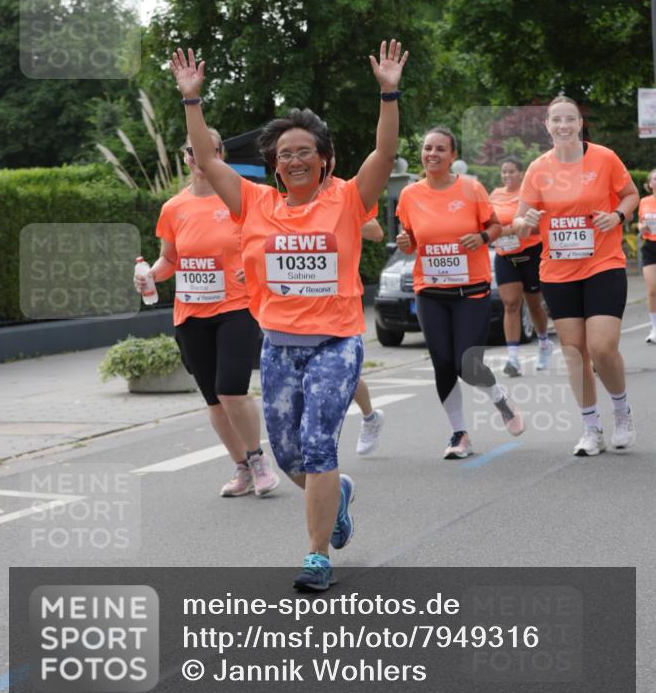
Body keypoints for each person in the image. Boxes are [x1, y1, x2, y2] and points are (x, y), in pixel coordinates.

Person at [170, 39, 408, 591]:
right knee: (291, 456)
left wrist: (389, 93)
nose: (295, 160)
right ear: (274, 165)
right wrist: (192, 100)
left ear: (324, 158)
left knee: (320, 444)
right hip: (277, 346)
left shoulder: (349, 199)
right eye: (285, 154)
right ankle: (338, 495)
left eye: (305, 151)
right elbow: (207, 158)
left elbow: (385, 156)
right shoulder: (254, 203)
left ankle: (316, 556)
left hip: (335, 343)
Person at [134, 127, 280, 498]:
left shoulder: (237, 200)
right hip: (191, 313)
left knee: (231, 388)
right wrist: (151, 275)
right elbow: (169, 259)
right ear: (186, 156)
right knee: (213, 398)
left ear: (220, 156)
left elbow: (267, 244)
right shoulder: (174, 208)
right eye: (193, 151)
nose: (200, 158)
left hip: (236, 307)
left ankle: (259, 460)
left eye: (210, 150)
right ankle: (242, 469)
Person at [513, 97, 639, 456]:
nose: (564, 125)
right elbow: (519, 225)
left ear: (580, 123)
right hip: (558, 270)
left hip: (603, 263)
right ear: (547, 126)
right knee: (574, 352)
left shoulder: (604, 158)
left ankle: (622, 411)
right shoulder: (538, 168)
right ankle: (590, 428)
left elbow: (629, 195)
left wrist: (616, 216)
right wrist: (527, 223)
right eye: (557, 120)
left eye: (571, 119)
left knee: (601, 347)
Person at [395, 127, 525, 461]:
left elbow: (495, 226)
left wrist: (482, 238)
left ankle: (501, 401)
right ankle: (459, 432)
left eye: (440, 149)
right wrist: (405, 244)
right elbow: (409, 238)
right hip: (431, 290)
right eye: (427, 148)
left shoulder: (471, 188)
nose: (432, 154)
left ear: (453, 155)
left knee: (468, 362)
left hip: (471, 289)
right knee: (442, 363)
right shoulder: (410, 195)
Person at [324, 159, 386, 455]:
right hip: (299, 300)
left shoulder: (345, 192)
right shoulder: (289, 194)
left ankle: (369, 417)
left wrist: (342, 220)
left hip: (341, 297)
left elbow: (376, 231)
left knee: (343, 373)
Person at [489, 157, 550, 376]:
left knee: (534, 305)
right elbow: (489, 223)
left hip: (530, 253)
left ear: (521, 174)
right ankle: (513, 358)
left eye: (511, 172)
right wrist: (498, 232)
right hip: (505, 256)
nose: (506, 176)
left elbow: (541, 226)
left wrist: (517, 229)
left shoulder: (530, 195)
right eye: (504, 172)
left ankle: (543, 343)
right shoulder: (494, 195)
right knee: (511, 304)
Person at [637, 167, 656, 344]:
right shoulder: (644, 201)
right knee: (652, 290)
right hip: (650, 246)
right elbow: (640, 223)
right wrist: (641, 227)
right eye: (655, 179)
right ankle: (654, 328)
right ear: (650, 183)